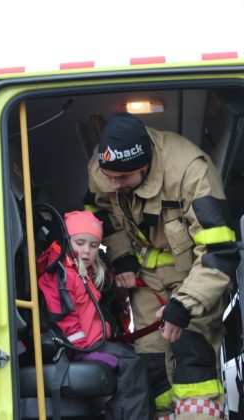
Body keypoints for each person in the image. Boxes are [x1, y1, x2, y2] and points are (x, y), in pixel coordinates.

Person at [84, 112, 240, 420]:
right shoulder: (102, 168)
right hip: (146, 279)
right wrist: (122, 256)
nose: (113, 184)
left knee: (192, 353)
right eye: (109, 176)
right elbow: (97, 210)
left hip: (194, 275)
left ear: (145, 166)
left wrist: (184, 305)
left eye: (123, 179)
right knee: (151, 362)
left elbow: (220, 250)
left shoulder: (191, 171)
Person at [37, 210, 153, 420]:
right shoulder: (60, 274)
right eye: (80, 242)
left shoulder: (82, 273)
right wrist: (82, 350)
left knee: (136, 360)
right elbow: (63, 317)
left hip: (93, 343)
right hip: (79, 348)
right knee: (131, 366)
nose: (86, 251)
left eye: (93, 245)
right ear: (66, 240)